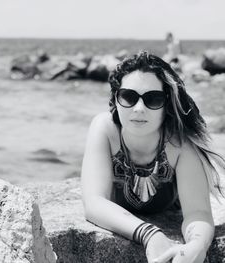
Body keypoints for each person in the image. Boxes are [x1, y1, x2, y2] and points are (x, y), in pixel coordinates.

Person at [81, 51, 225, 263]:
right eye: (128, 97)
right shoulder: (104, 129)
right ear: (115, 99)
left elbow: (197, 212)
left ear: (166, 104)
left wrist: (196, 246)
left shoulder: (180, 143)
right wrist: (150, 234)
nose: (139, 109)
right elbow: (94, 203)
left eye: (153, 99)